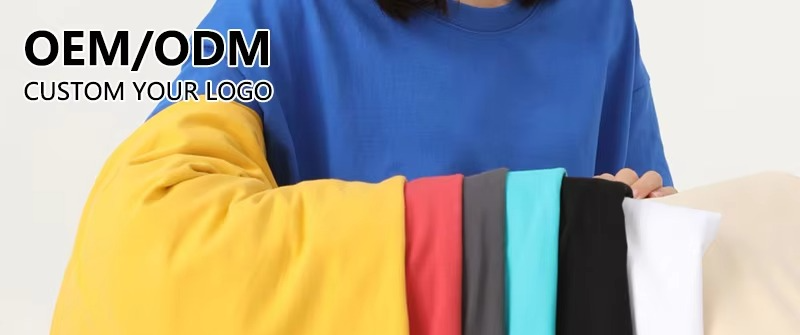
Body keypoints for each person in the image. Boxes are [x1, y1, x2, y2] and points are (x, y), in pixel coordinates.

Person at [153, 0, 676, 197]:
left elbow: (642, 219)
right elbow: (163, 226)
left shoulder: (600, 14)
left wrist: (647, 230)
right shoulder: (271, 16)